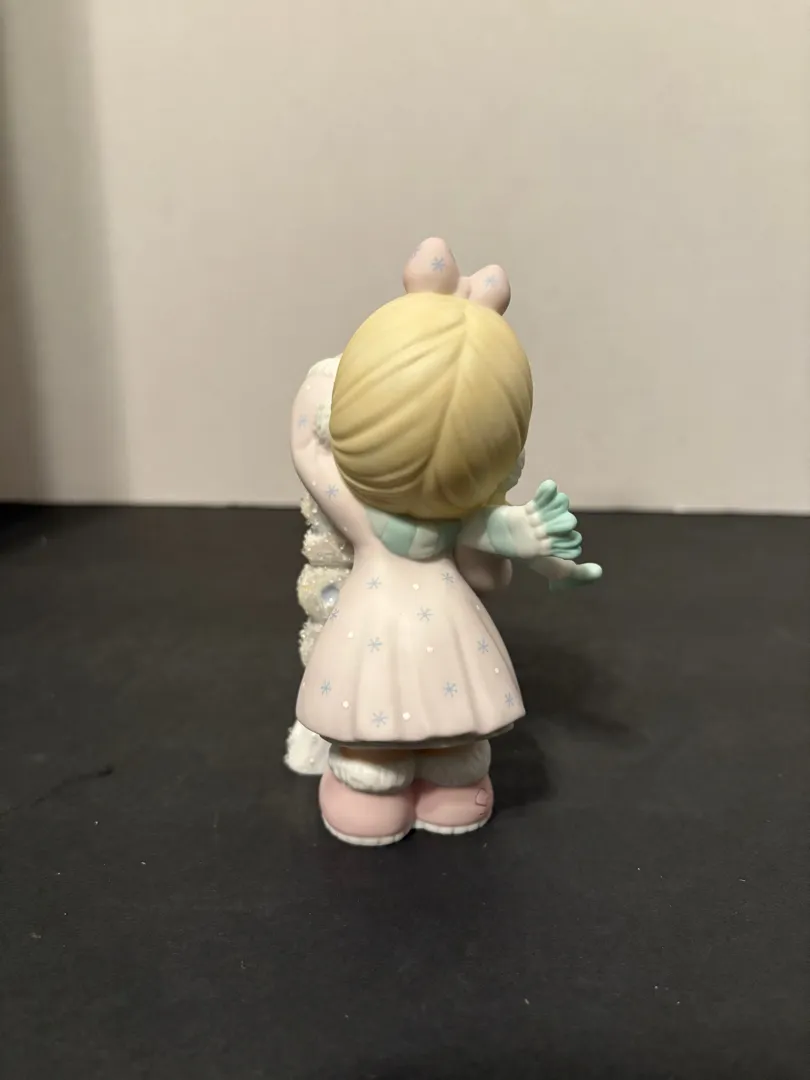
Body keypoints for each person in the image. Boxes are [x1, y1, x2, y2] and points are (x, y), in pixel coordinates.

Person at [290, 239, 600, 845]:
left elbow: (492, 532)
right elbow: (308, 442)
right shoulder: (359, 515)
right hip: (373, 619)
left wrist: (534, 542)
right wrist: (329, 381)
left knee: (453, 720)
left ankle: (449, 770)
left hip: (446, 624)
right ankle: (370, 774)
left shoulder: (463, 520)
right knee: (370, 715)